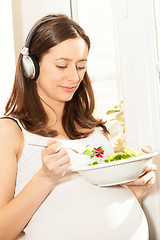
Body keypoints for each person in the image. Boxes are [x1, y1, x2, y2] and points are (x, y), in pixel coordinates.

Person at [0, 14, 156, 240]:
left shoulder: (96, 131)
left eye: (81, 66)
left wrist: (134, 192)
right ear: (30, 66)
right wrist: (45, 177)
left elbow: (88, 205)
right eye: (62, 66)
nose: (74, 77)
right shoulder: (11, 133)